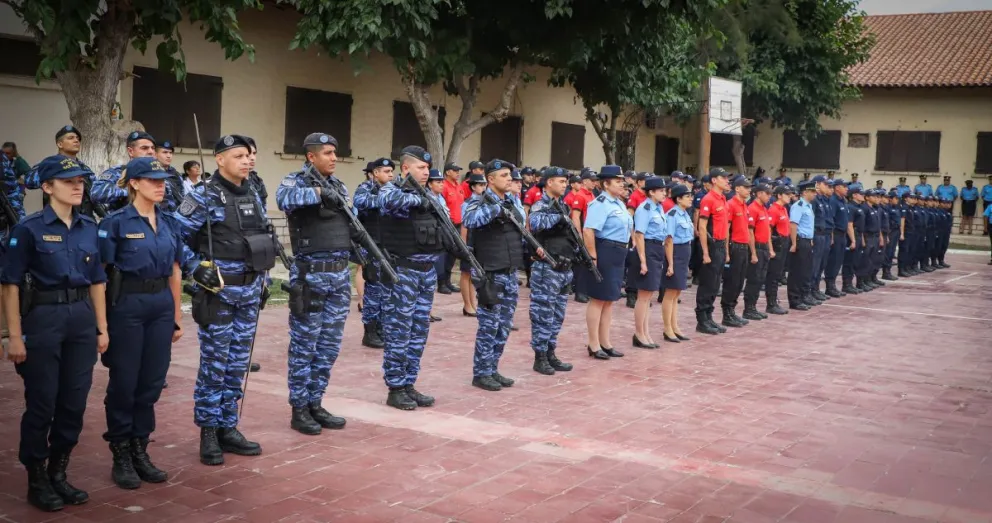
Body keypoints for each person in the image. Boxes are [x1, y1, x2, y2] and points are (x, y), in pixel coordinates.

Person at [2, 155, 109, 512]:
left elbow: (97, 281)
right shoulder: (27, 230)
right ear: (47, 187)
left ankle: (58, 472)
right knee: (42, 403)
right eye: (68, 181)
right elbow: (10, 285)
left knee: (74, 403)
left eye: (81, 180)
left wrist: (101, 328)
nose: (78, 186)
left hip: (80, 319)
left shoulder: (90, 228)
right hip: (43, 319)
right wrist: (14, 336)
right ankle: (37, 478)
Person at [174, 134, 272, 465]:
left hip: (248, 292)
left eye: (249, 155)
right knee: (215, 365)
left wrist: (264, 279)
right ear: (219, 159)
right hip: (218, 294)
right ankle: (208, 430)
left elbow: (261, 237)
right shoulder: (204, 196)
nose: (247, 160)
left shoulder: (254, 193)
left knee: (237, 365)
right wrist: (192, 266)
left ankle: (228, 427)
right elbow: (175, 234)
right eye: (239, 155)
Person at [98, 157, 184, 489]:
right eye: (151, 180)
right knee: (125, 382)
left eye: (162, 179)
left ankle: (140, 448)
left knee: (151, 382)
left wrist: (176, 316)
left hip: (160, 304)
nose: (160, 184)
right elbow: (99, 277)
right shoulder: (115, 223)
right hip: (126, 304)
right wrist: (102, 325)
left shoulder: (170, 222)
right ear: (134, 183)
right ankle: (120, 452)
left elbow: (175, 270)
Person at [275, 133, 351, 436]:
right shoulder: (295, 182)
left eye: (335, 152)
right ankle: (299, 408)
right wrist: (319, 192)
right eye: (328, 153)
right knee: (305, 345)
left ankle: (316, 402)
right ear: (311, 157)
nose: (334, 157)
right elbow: (283, 199)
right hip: (311, 276)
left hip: (339, 277)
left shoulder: (340, 186)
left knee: (328, 346)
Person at [378, 146, 446, 410]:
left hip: (425, 272)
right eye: (421, 167)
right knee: (399, 331)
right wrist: (421, 200)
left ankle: (409, 383)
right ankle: (395, 388)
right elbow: (388, 203)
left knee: (419, 331)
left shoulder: (429, 194)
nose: (426, 171)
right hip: (402, 273)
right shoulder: (390, 189)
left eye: (428, 168)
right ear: (405, 168)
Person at [463, 160, 532, 390]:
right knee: (488, 326)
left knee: (503, 326)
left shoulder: (512, 202)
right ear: (490, 179)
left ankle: (492, 368)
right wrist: (496, 207)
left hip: (510, 271)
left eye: (510, 175)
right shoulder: (477, 201)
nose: (509, 179)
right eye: (504, 175)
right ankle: (481, 373)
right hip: (490, 273)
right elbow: (470, 220)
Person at [528, 167, 576, 375]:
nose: (565, 184)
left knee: (557, 315)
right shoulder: (542, 205)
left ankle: (551, 352)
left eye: (566, 181)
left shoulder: (562, 206)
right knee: (543, 314)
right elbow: (535, 224)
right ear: (548, 183)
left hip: (564, 268)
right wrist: (559, 217)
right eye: (561, 181)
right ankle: (540, 357)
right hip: (547, 268)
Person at [582, 165, 632, 359]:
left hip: (618, 252)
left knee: (609, 300)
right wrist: (593, 256)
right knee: (598, 298)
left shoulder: (618, 203)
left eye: (622, 181)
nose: (622, 185)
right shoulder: (600, 203)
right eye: (618, 181)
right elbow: (589, 231)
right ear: (606, 183)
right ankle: (593, 344)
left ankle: (606, 342)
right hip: (605, 251)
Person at [355, 158, 395, 349]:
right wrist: (386, 198)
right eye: (386, 171)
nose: (390, 175)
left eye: (391, 171)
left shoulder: (394, 190)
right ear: (375, 173)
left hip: (388, 246)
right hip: (371, 246)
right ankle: (369, 332)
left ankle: (381, 328)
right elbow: (359, 202)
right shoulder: (365, 189)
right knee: (373, 290)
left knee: (387, 291)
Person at [628, 177, 668, 348]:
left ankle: (645, 332)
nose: (664, 194)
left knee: (649, 294)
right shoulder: (644, 208)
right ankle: (639, 333)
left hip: (657, 248)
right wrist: (643, 261)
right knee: (643, 296)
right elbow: (639, 235)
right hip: (648, 249)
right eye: (661, 191)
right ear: (651, 192)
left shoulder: (658, 208)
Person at [695, 168, 731, 334]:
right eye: (723, 178)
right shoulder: (708, 199)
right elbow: (702, 227)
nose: (726, 180)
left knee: (716, 283)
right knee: (707, 283)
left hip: (721, 245)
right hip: (711, 245)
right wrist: (705, 252)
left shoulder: (723, 198)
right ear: (714, 180)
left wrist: (726, 249)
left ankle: (709, 317)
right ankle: (702, 320)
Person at [92, 131, 157, 212]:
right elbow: (97, 193)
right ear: (130, 151)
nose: (151, 151)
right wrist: (130, 190)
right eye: (144, 148)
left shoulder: (159, 176)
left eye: (153, 148)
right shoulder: (117, 172)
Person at [661, 184, 694, 341]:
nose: (690, 199)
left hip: (684, 252)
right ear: (678, 198)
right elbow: (669, 240)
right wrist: (671, 264)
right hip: (675, 253)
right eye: (687, 196)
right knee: (670, 292)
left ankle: (675, 326)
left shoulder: (684, 214)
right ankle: (667, 328)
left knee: (677, 292)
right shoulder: (673, 215)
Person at [720, 175, 753, 328]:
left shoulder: (744, 205)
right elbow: (726, 230)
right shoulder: (731, 205)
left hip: (744, 247)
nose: (749, 190)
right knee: (732, 281)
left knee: (740, 281)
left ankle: (732, 310)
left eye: (749, 187)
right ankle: (726, 313)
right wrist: (726, 251)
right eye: (746, 187)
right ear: (737, 188)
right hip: (735, 247)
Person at [742, 183, 774, 321]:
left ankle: (753, 307)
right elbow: (750, 232)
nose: (769, 196)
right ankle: (748, 309)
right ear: (759, 193)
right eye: (767, 193)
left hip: (764, 247)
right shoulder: (753, 208)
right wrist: (753, 252)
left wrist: (770, 248)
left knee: (760, 278)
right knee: (754, 279)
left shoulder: (764, 208)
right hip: (757, 248)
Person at [565, 170, 596, 303]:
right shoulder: (580, 195)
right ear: (584, 181)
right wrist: (579, 234)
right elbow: (576, 216)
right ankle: (580, 292)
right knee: (583, 263)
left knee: (587, 262)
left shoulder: (591, 195)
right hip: (584, 232)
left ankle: (586, 290)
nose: (595, 183)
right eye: (592, 180)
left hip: (591, 231)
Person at [787, 181, 816, 310]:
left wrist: (810, 239)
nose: (815, 194)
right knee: (797, 271)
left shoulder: (808, 206)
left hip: (807, 240)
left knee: (805, 270)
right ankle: (794, 299)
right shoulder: (798, 205)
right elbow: (793, 225)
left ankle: (803, 296)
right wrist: (794, 243)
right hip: (799, 240)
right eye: (812, 191)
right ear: (805, 192)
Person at [763, 185, 792, 315]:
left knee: (778, 274)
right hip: (777, 244)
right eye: (786, 194)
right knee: (773, 275)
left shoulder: (784, 209)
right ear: (779, 195)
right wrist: (770, 249)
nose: (789, 196)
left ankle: (774, 300)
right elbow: (768, 230)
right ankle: (771, 303)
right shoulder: (774, 210)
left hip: (784, 242)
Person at [439, 162, 464, 294]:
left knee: (452, 255)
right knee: (444, 254)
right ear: (448, 172)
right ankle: (441, 282)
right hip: (447, 225)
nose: (457, 172)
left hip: (458, 225)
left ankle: (448, 281)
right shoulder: (443, 186)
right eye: (455, 170)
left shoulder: (458, 186)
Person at [823, 178, 850, 297]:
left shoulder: (843, 200)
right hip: (836, 234)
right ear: (837, 187)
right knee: (833, 261)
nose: (847, 189)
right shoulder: (833, 201)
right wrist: (832, 237)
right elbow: (831, 220)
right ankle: (829, 286)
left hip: (843, 235)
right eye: (844, 186)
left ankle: (833, 284)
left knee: (839, 261)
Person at [809, 175, 833, 303]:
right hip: (816, 235)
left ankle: (816, 289)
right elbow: (810, 220)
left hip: (825, 234)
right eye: (826, 184)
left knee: (821, 264)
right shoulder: (814, 200)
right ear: (818, 184)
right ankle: (810, 290)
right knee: (814, 265)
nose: (828, 187)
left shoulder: (823, 200)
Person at [842, 188, 867, 293]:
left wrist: (862, 239)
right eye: (860, 194)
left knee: (856, 261)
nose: (863, 196)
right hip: (852, 236)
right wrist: (853, 240)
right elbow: (850, 225)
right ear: (854, 195)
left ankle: (852, 283)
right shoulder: (850, 207)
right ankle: (847, 285)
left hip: (858, 235)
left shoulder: (860, 207)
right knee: (849, 261)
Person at [153, 141, 185, 213]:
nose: (168, 156)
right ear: (155, 154)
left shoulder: (176, 174)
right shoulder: (151, 173)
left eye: (170, 153)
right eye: (165, 152)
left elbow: (183, 194)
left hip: (177, 215)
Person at [1, 142, 27, 219]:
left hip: (16, 191)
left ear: (13, 153)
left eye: (8, 153)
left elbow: (29, 173)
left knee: (16, 215)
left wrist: (18, 181)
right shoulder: (2, 161)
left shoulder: (17, 161)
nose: (5, 156)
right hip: (4, 191)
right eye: (3, 153)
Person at [884, 190, 903, 280]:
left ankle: (888, 270)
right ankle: (886, 272)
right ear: (890, 199)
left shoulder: (896, 207)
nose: (897, 200)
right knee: (888, 252)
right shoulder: (887, 208)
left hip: (896, 231)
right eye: (895, 198)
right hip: (890, 232)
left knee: (892, 252)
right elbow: (887, 221)